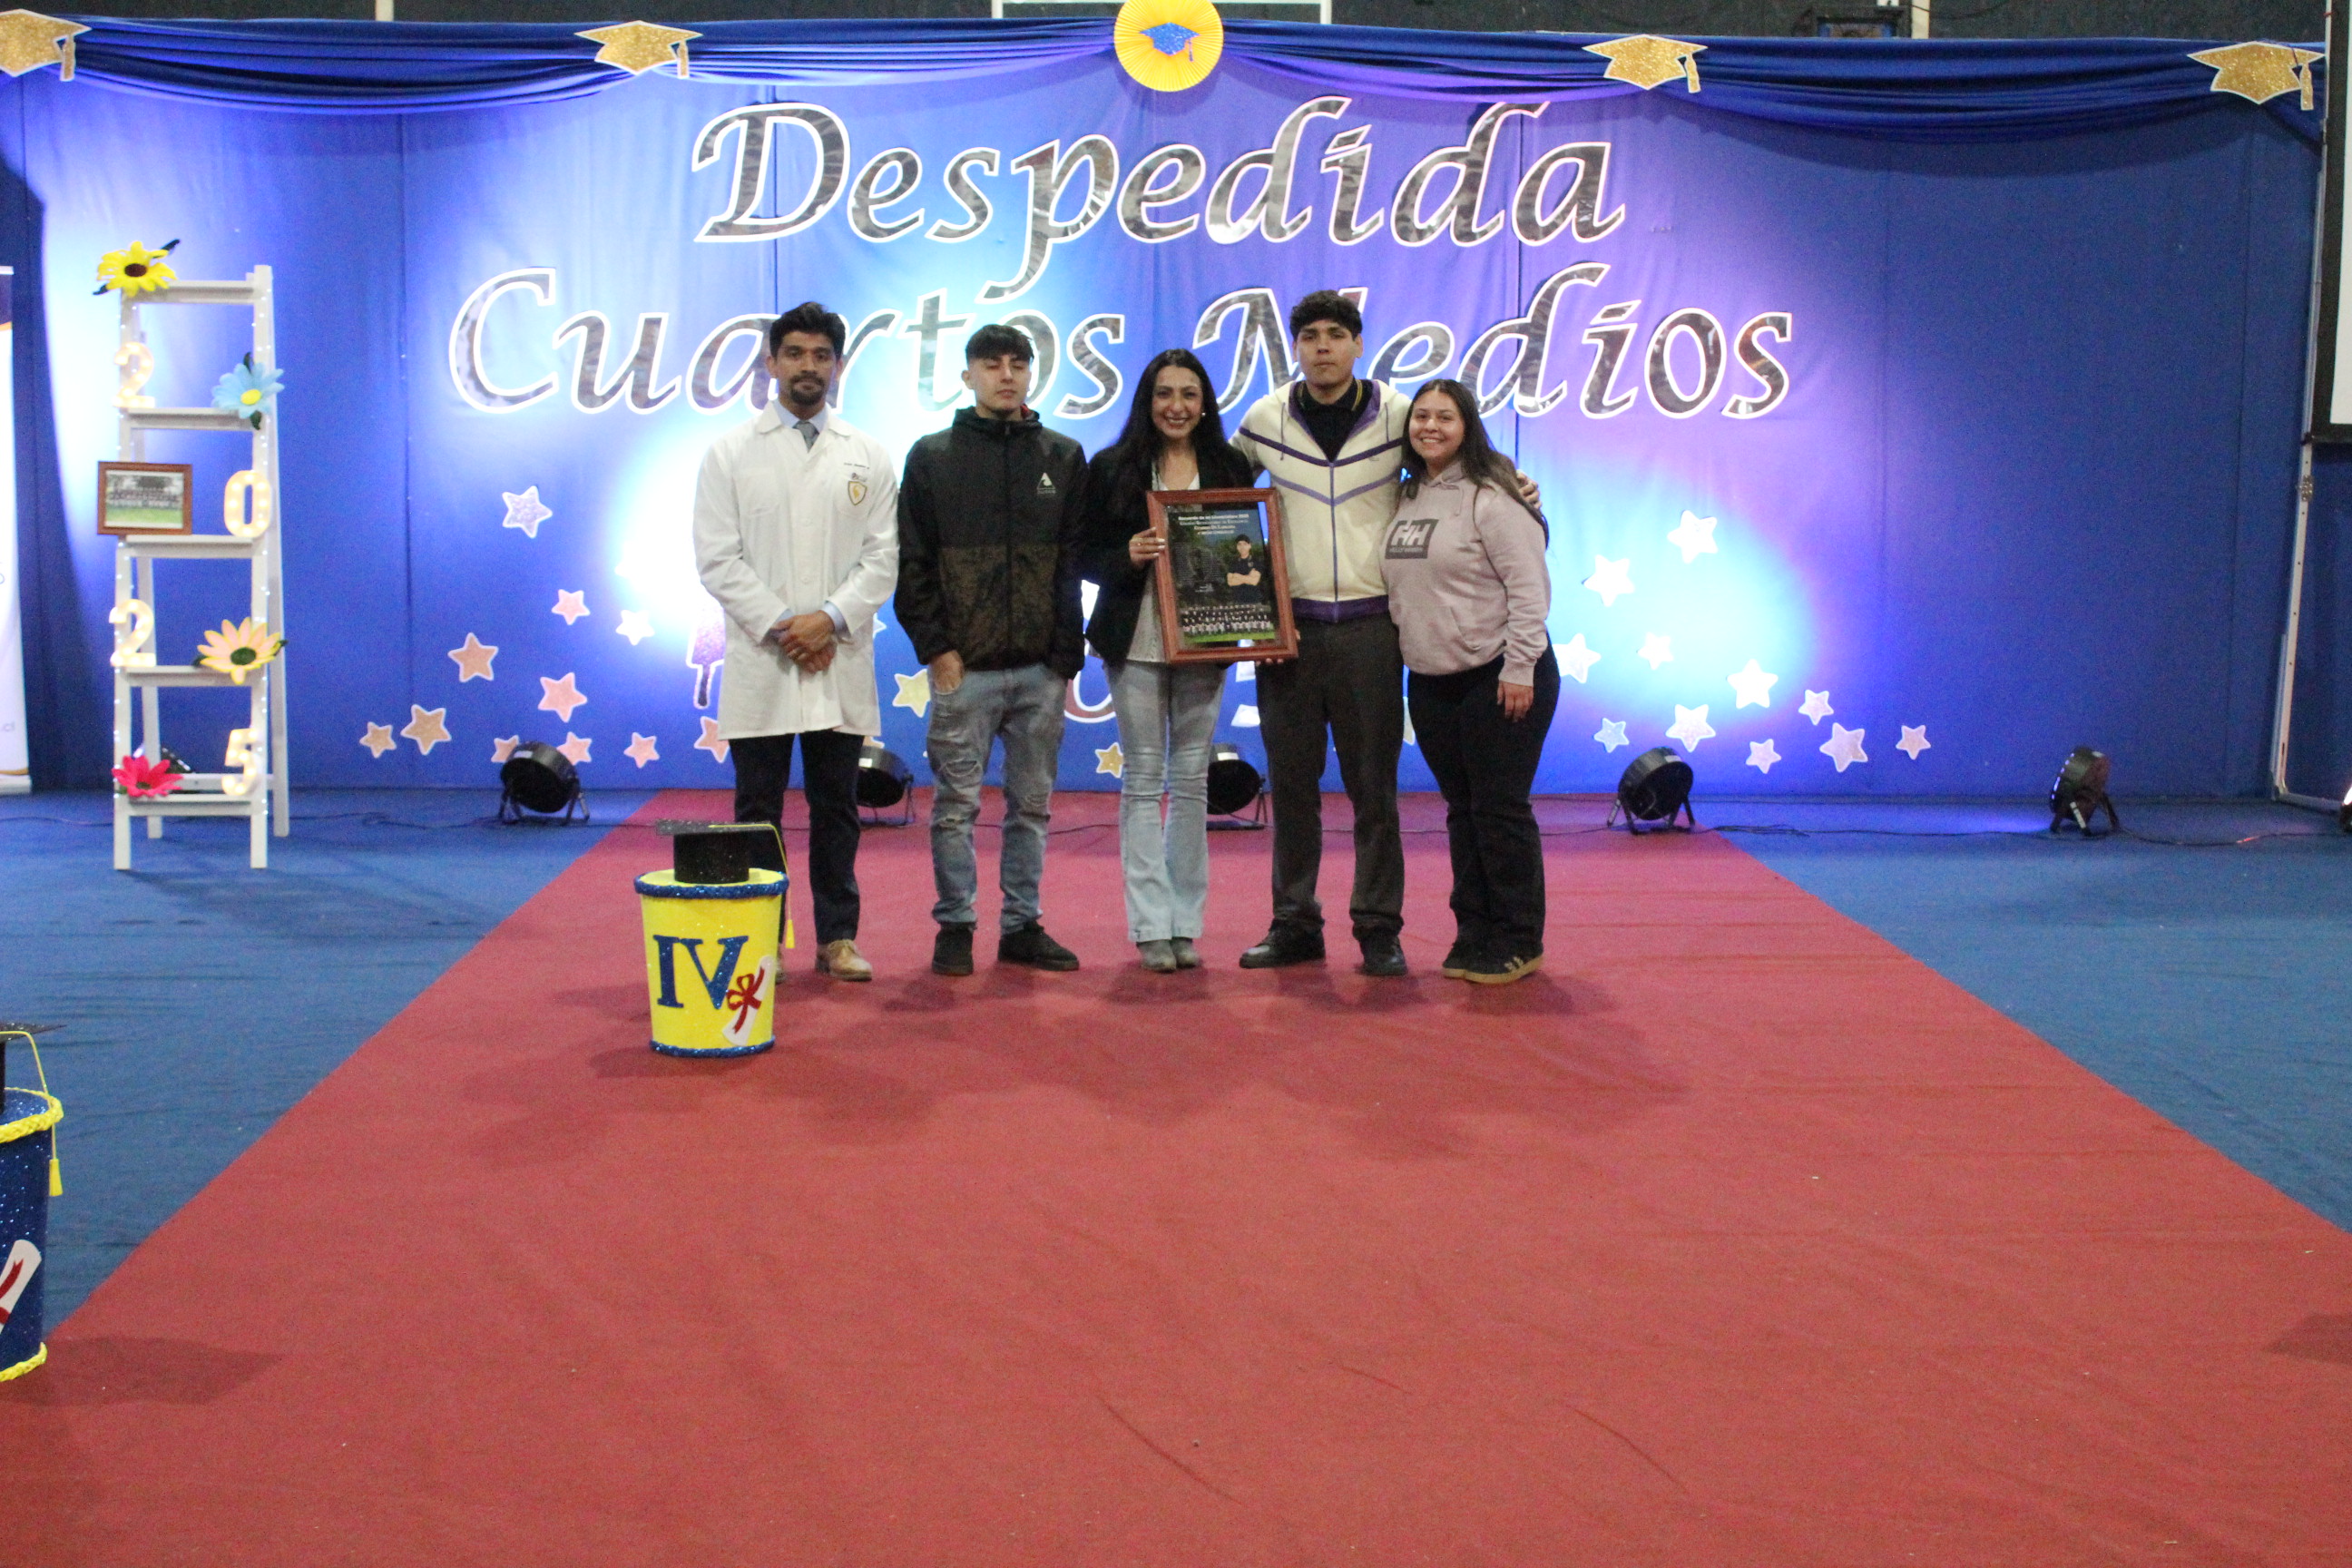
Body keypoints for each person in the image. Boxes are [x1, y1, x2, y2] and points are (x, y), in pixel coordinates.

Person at [692, 300, 898, 981]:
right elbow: (717, 559)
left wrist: (829, 620)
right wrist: (790, 626)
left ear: (837, 366)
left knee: (837, 806)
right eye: (795, 354)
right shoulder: (730, 452)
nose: (808, 366)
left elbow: (883, 559)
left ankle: (837, 938)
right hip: (766, 658)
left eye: (821, 355)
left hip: (836, 655)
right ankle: (760, 938)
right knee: (757, 809)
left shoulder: (867, 454)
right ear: (771, 363)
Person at [895, 323, 1090, 977]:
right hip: (964, 669)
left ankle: (1021, 926)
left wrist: (1064, 658)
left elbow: (1072, 563)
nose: (1006, 374)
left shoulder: (1063, 456)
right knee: (955, 809)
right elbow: (912, 562)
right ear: (968, 376)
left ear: (1031, 374)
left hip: (1040, 670)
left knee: (1031, 808)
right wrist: (937, 649)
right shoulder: (933, 457)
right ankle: (955, 926)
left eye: (1018, 364)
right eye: (991, 364)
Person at [1074, 348, 1254, 974]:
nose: (1176, 406)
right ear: (1146, 402)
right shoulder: (1112, 467)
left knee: (1193, 780)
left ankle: (1185, 923)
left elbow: (1252, 552)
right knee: (1144, 779)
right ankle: (1151, 924)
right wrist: (1123, 555)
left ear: (1205, 403)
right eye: (1164, 394)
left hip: (1206, 639)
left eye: (1188, 394)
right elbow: (1080, 554)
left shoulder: (1230, 465)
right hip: (1135, 638)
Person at [1383, 379, 1558, 985]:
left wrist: (1520, 667)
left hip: (1501, 675)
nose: (1430, 427)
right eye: (1421, 417)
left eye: (1445, 417)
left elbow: (1529, 589)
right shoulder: (1405, 495)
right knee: (1462, 811)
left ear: (1468, 427)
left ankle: (1518, 938)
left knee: (1499, 810)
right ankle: (1474, 930)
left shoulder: (1494, 494)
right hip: (1432, 682)